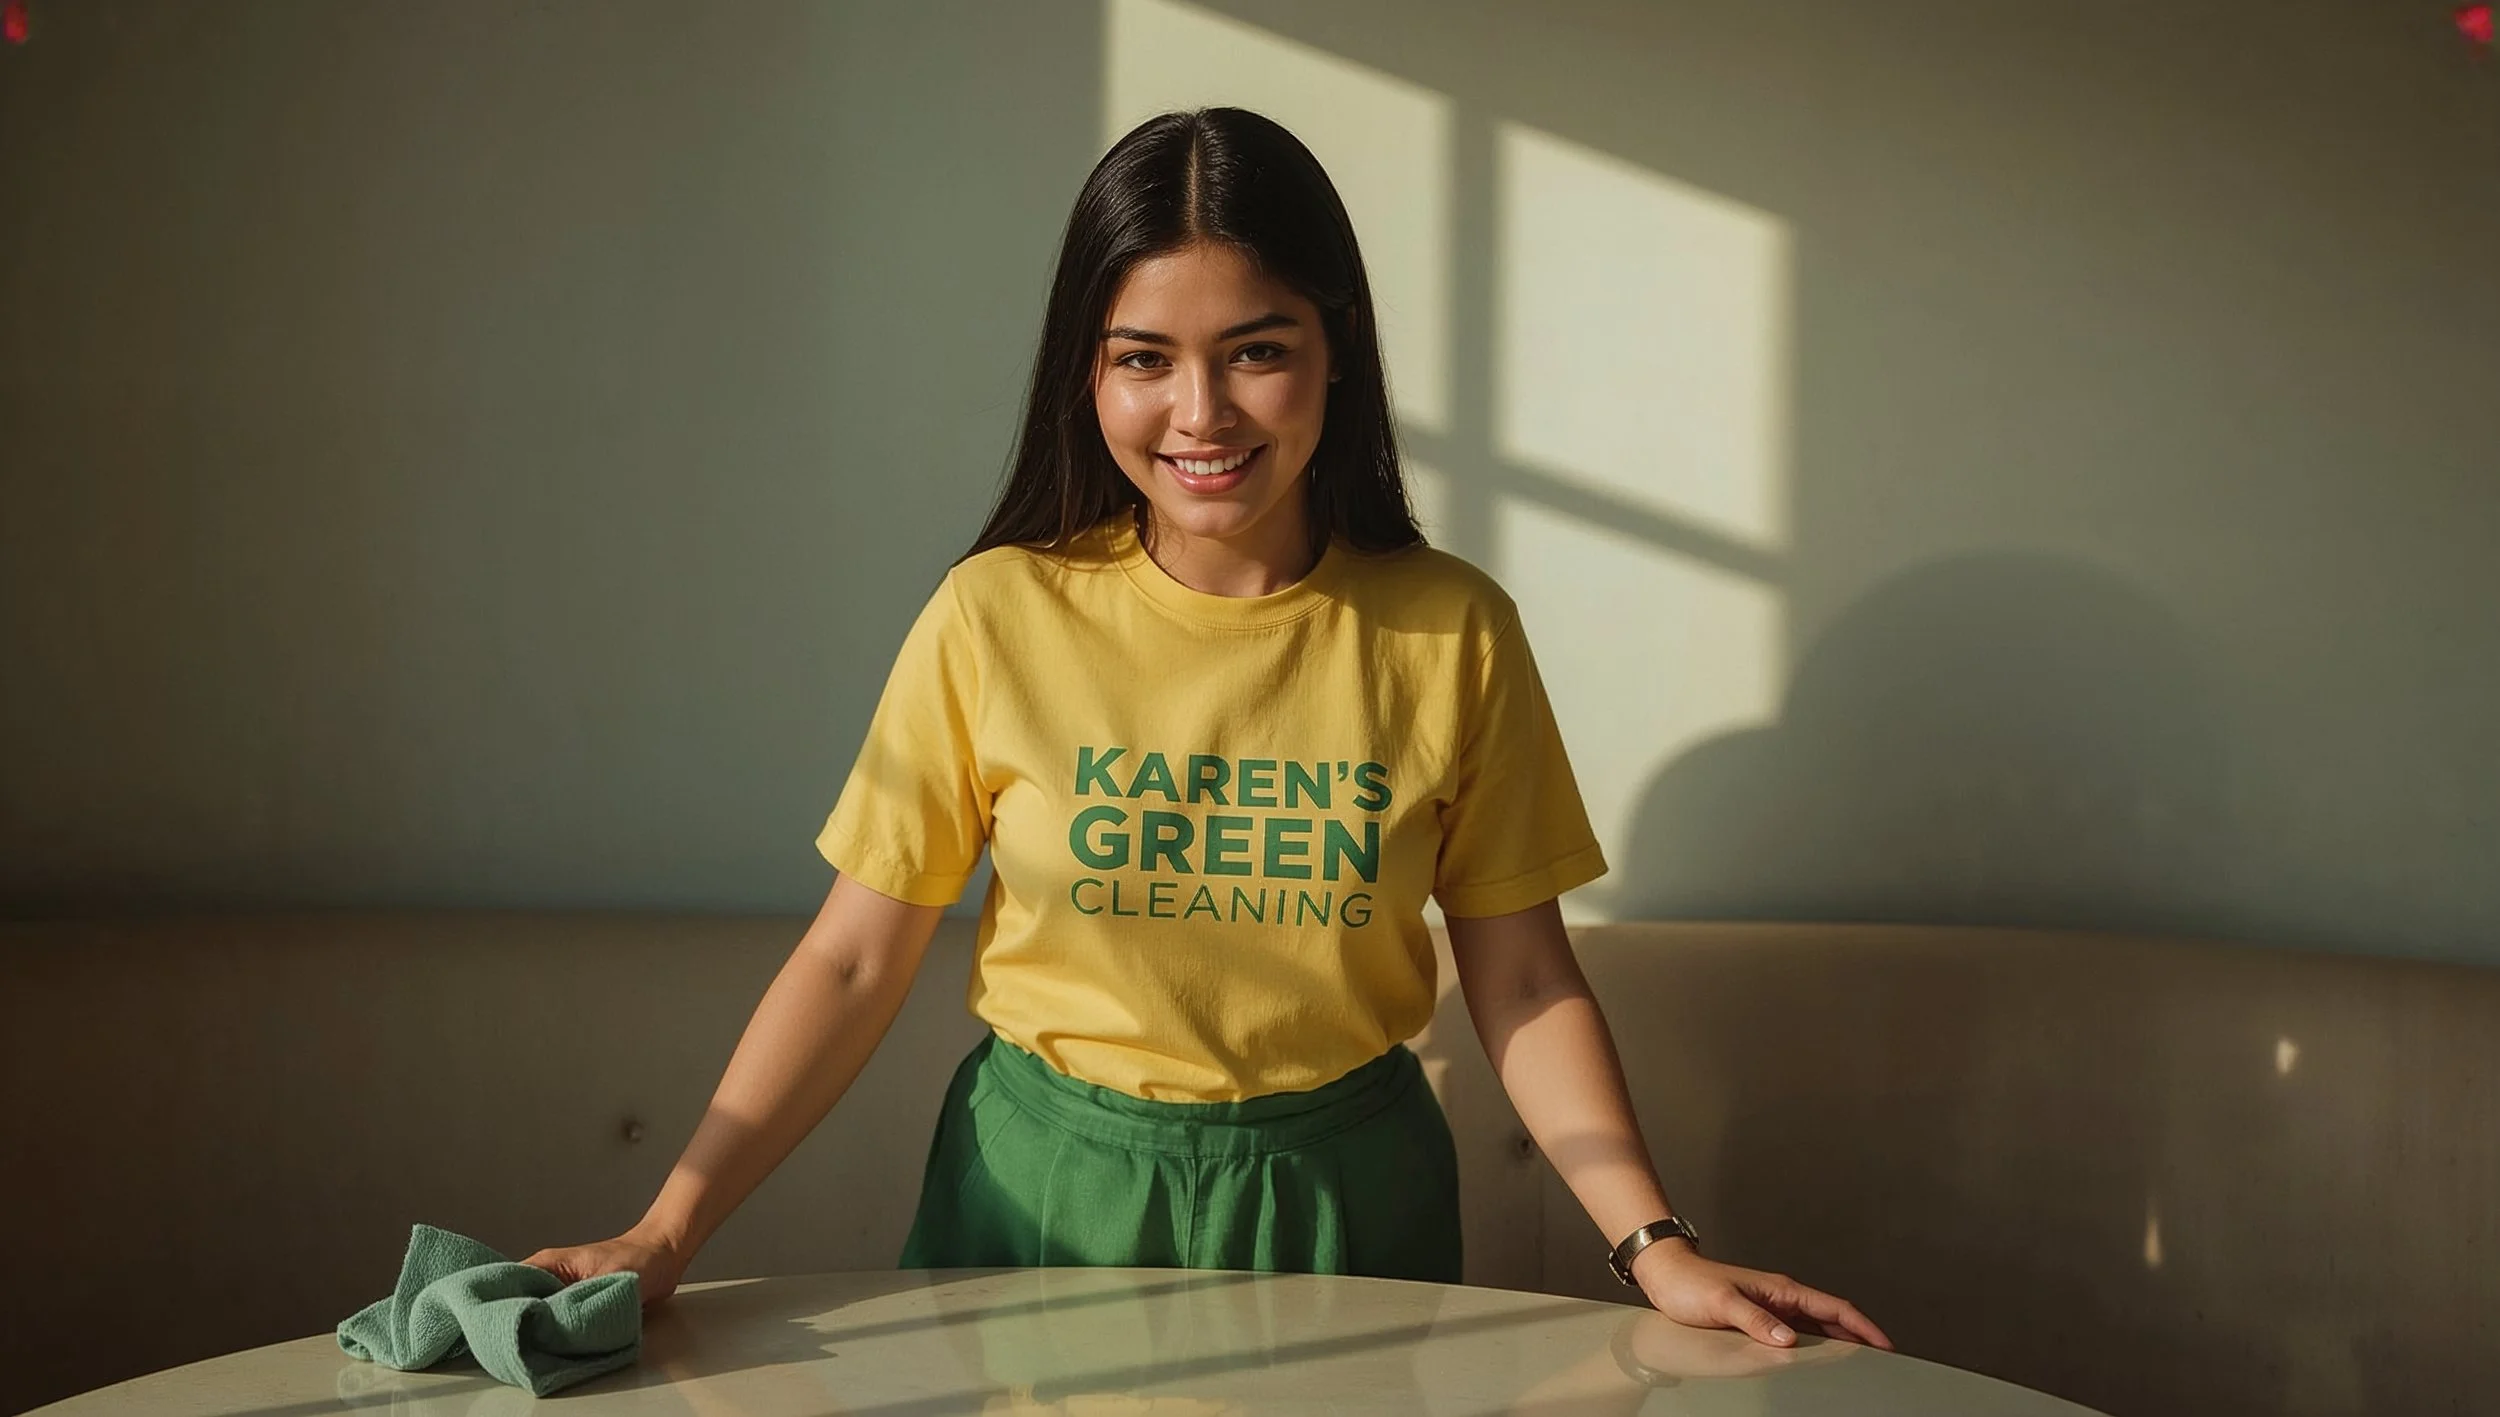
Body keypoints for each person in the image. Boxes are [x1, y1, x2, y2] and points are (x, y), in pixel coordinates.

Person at [525, 107, 1890, 1354]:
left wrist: (1656, 1249)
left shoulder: (1450, 630)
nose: (1201, 415)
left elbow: (1524, 982)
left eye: (1257, 353)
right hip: (1042, 1194)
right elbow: (850, 958)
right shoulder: (996, 616)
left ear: (1333, 350)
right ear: (1087, 373)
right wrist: (668, 1230)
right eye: (1144, 360)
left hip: (1348, 1200)